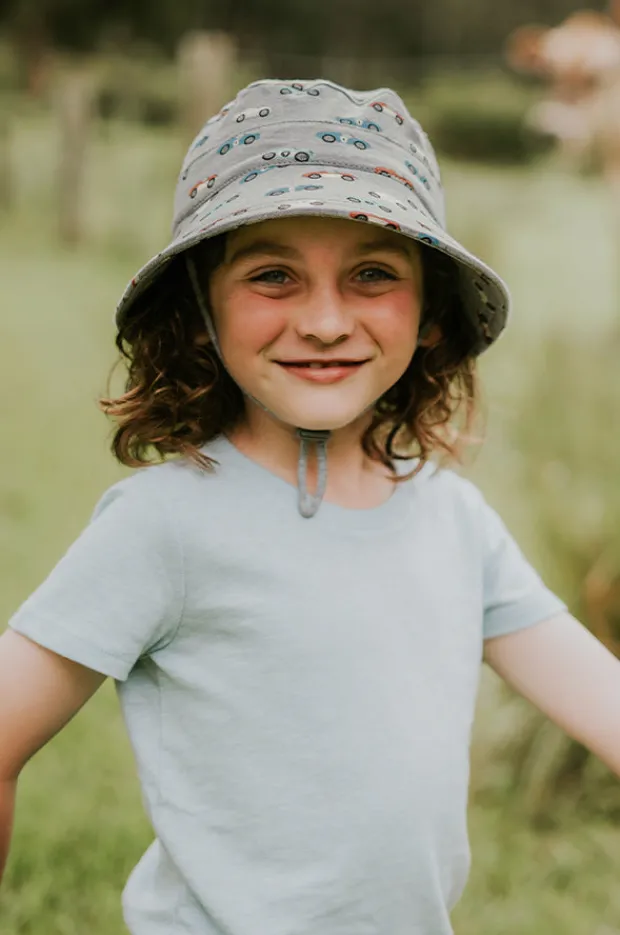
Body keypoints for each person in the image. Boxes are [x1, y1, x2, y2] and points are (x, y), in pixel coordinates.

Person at [1, 78, 619, 935]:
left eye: (372, 274)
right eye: (273, 275)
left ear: (431, 311)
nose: (326, 320)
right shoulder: (165, 525)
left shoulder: (453, 520)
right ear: (200, 314)